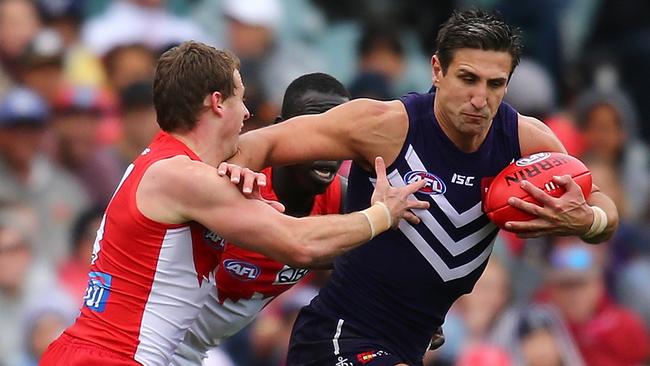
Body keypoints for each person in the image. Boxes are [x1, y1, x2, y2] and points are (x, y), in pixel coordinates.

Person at [223, 9, 620, 365]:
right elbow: (262, 143)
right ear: (436, 70)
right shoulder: (386, 126)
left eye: (495, 84)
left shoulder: (524, 141)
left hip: (408, 348)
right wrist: (236, 182)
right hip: (337, 338)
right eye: (467, 78)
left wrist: (588, 220)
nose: (480, 99)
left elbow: (603, 207)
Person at [39, 41, 428, 366]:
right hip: (114, 357)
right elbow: (299, 244)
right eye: (241, 100)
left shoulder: (171, 166)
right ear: (217, 103)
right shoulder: (183, 177)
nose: (246, 115)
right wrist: (382, 213)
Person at [171, 72, 351, 365]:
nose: (330, 147)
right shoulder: (231, 178)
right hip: (150, 342)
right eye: (315, 131)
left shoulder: (343, 201)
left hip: (197, 351)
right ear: (280, 131)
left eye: (342, 133)